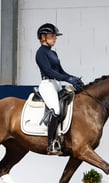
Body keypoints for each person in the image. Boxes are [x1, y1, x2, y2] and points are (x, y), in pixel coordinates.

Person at [35, 23, 83, 155]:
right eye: (52, 36)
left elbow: (60, 71)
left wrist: (73, 78)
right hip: (47, 85)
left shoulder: (53, 53)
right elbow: (49, 71)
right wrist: (67, 79)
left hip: (56, 84)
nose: (55, 38)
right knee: (56, 110)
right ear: (43, 37)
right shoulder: (40, 53)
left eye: (55, 36)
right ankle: (51, 144)